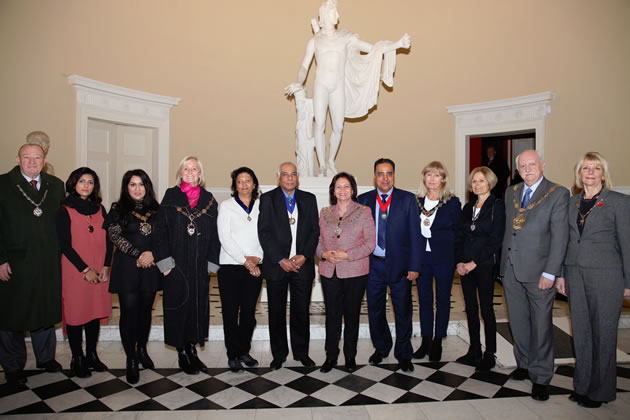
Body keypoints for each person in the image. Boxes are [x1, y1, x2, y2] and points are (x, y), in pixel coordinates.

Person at [286, 0, 411, 176]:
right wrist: (299, 82)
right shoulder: (315, 40)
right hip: (321, 86)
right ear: (325, 16)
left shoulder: (346, 37)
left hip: (338, 87)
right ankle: (322, 165)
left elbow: (373, 49)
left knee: (338, 127)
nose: (337, 15)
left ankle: (330, 162)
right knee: (320, 125)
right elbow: (304, 66)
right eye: (334, 12)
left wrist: (397, 44)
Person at [556, 152, 630, 408]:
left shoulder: (619, 202)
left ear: (603, 173)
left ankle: (601, 391)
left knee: (604, 334)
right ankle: (583, 385)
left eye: (596, 168)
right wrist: (562, 274)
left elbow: (627, 245)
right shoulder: (572, 203)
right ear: (579, 173)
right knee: (583, 333)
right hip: (575, 274)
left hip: (607, 276)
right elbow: (566, 241)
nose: (590, 172)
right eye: (586, 168)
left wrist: (628, 282)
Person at [501, 149, 569, 401]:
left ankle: (541, 376)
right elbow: (511, 229)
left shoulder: (558, 193)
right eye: (522, 166)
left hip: (540, 272)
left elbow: (560, 236)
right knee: (518, 322)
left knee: (541, 326)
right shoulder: (512, 192)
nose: (527, 169)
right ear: (517, 170)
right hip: (511, 270)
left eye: (532, 164)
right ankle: (525, 364)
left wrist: (551, 272)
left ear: (543, 164)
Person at [0, 144, 65, 385]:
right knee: (11, 315)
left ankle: (45, 358)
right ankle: (13, 365)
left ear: (44, 160)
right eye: (27, 157)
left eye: (37, 157)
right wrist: (0, 259)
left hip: (48, 260)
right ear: (18, 158)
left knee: (44, 310)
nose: (32, 162)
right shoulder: (3, 184)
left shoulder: (55, 185)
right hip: (15, 262)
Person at [154, 156, 220, 375]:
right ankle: (182, 350)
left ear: (200, 173)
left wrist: (212, 264)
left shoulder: (209, 199)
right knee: (179, 306)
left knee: (197, 307)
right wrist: (165, 263)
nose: (190, 172)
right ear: (180, 172)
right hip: (176, 263)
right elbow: (160, 230)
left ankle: (192, 348)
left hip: (200, 265)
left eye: (194, 169)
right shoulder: (170, 196)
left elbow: (215, 235)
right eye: (186, 168)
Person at [357, 158, 422, 372]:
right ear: (374, 176)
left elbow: (415, 235)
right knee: (375, 309)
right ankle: (382, 347)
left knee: (403, 309)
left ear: (394, 175)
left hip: (400, 266)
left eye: (389, 173)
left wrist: (414, 265)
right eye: (380, 173)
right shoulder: (363, 200)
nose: (385, 178)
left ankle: (404, 353)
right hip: (372, 264)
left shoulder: (408, 199)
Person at [257, 162, 319, 369]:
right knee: (276, 312)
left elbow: (314, 232)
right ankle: (279, 354)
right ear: (278, 177)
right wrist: (279, 259)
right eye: (285, 175)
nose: (290, 178)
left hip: (302, 265)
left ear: (298, 176)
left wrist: (305, 255)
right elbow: (263, 232)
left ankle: (302, 353)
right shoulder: (267, 199)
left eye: (293, 174)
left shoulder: (309, 199)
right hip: (277, 266)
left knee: (301, 311)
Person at [105, 169, 162, 384]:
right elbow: (114, 235)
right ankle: (130, 358)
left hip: (151, 265)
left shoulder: (157, 210)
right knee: (129, 313)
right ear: (126, 187)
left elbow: (164, 236)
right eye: (132, 185)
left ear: (147, 187)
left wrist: (152, 254)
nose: (137, 189)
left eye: (141, 184)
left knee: (146, 312)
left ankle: (141, 350)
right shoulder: (117, 209)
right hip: (127, 267)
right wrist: (138, 254)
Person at [56, 167, 113, 378]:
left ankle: (91, 355)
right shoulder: (64, 210)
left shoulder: (100, 209)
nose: (86, 186)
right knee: (76, 313)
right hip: (75, 269)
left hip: (99, 268)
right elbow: (65, 245)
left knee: (93, 312)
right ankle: (77, 357)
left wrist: (106, 266)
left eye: (90, 182)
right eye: (82, 181)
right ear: (73, 184)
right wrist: (85, 269)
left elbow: (109, 239)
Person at [317, 172, 375, 373]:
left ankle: (350, 356)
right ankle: (330, 356)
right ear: (333, 190)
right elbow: (317, 241)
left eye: (346, 186)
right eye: (338, 187)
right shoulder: (325, 212)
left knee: (352, 315)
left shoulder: (364, 211)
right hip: (329, 271)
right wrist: (323, 253)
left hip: (355, 271)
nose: (342, 190)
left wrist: (346, 255)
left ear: (353, 190)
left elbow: (370, 243)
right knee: (332, 316)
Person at [454, 167, 505, 370]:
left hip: (484, 265)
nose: (477, 185)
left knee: (486, 309)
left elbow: (496, 240)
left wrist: (474, 262)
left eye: (481, 181)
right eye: (474, 181)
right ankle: (474, 349)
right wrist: (459, 262)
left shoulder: (497, 206)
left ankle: (489, 353)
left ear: (490, 183)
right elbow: (459, 237)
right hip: (465, 266)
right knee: (471, 308)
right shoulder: (468, 208)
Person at [217, 167, 264, 372]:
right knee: (230, 312)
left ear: (254, 184)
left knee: (248, 313)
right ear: (234, 185)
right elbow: (225, 237)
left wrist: (258, 257)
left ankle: (244, 350)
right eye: (239, 181)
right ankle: (232, 354)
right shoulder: (226, 206)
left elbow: (268, 234)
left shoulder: (262, 206)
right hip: (230, 266)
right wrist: (246, 261)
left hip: (255, 264)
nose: (244, 185)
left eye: (248, 181)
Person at [413, 161, 461, 362]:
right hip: (422, 259)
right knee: (424, 301)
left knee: (442, 301)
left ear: (443, 179)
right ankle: (425, 340)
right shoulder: (415, 201)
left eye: (436, 175)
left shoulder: (452, 202)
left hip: (444, 258)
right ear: (424, 178)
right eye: (429, 175)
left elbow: (459, 233)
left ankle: (438, 341)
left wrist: (460, 259)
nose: (432, 179)